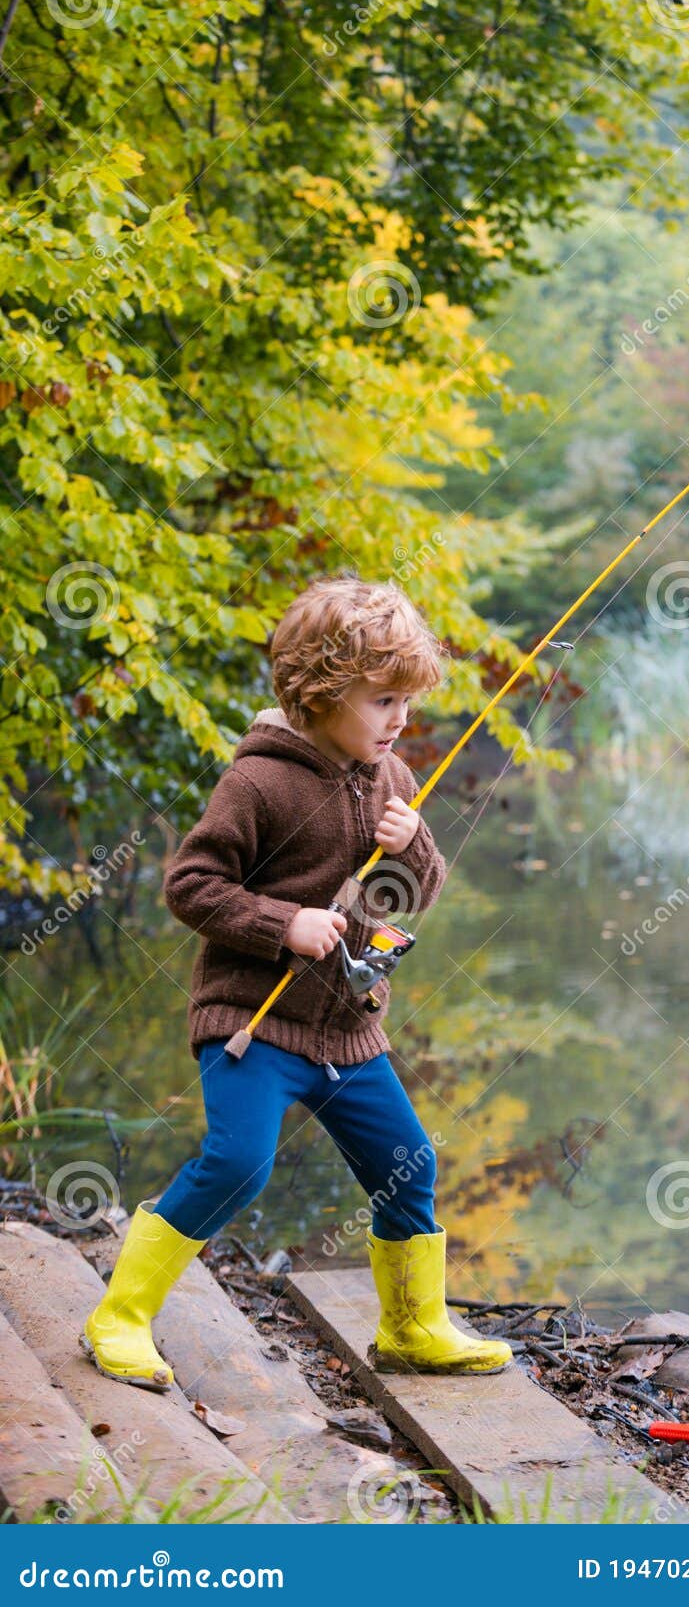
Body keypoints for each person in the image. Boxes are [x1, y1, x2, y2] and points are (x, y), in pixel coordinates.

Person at [81, 571, 512, 1389]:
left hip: (346, 1025)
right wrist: (283, 925)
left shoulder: (390, 780)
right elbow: (192, 886)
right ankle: (122, 1316)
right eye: (383, 702)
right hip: (252, 1019)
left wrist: (414, 841)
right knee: (241, 1163)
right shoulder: (259, 782)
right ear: (319, 694)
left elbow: (409, 891)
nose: (401, 721)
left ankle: (413, 1326)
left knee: (410, 1164)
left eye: (407, 703)